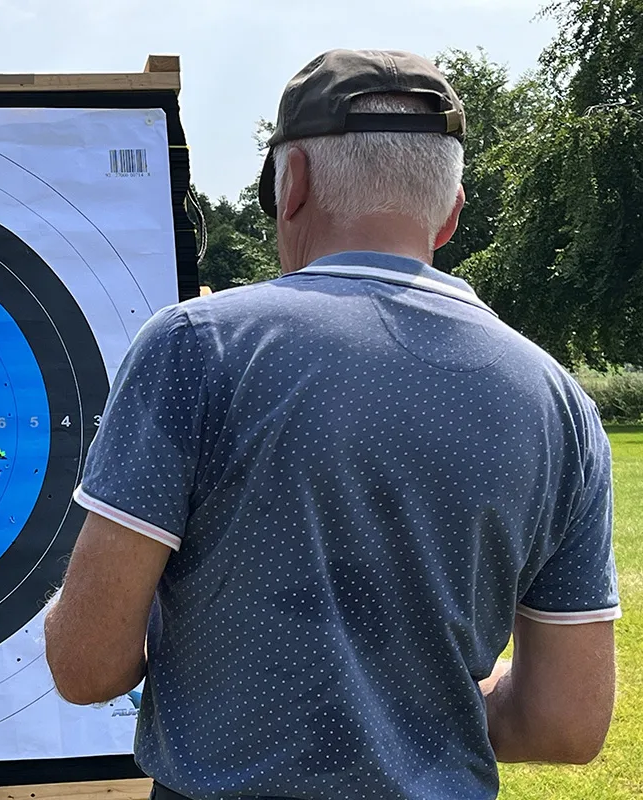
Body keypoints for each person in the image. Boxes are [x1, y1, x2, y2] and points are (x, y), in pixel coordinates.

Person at [43, 48, 620, 800]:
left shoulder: (200, 348)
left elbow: (87, 665)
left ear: (294, 186)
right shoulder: (562, 404)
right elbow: (565, 725)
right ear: (450, 212)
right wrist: (420, 710)